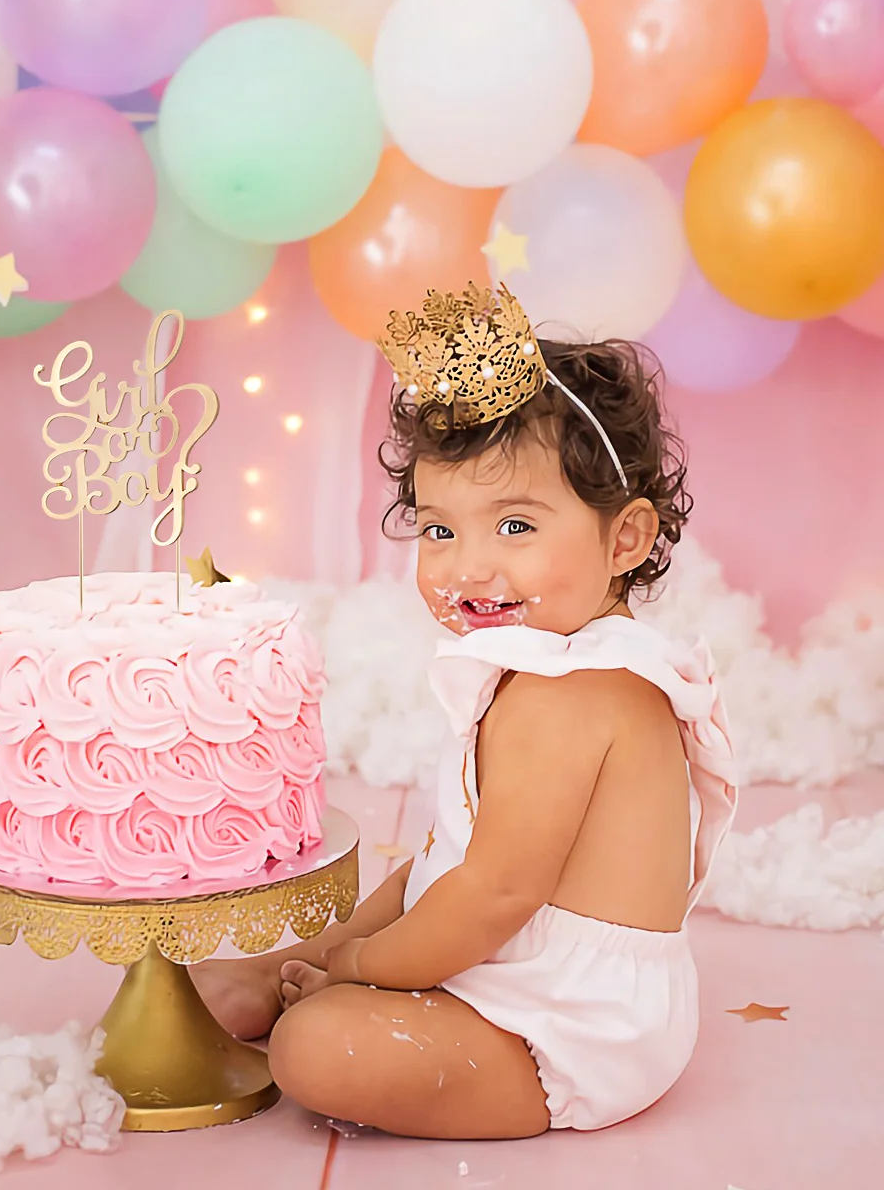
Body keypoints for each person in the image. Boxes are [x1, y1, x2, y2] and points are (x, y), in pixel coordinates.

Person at [192, 284, 737, 1139]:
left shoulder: (579, 692)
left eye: (514, 525)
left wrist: (360, 969)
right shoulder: (536, 663)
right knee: (418, 883)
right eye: (441, 531)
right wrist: (335, 953)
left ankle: (328, 988)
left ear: (624, 540)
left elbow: (492, 896)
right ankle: (291, 968)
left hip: (570, 1027)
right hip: (497, 955)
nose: (467, 567)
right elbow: (453, 868)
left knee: (317, 1048)